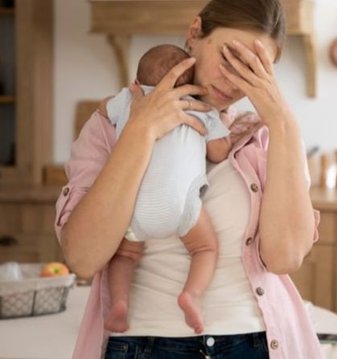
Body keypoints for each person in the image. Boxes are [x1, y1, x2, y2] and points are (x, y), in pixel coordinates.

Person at [55, 0, 323, 357]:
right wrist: (141, 131)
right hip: (141, 344)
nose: (234, 80)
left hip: (254, 343)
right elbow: (84, 257)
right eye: (229, 58)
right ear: (195, 33)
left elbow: (284, 257)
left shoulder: (267, 137)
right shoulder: (112, 125)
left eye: (254, 69)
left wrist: (282, 121)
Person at [104, 44, 231, 334]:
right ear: (193, 85)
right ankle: (191, 295)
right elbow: (219, 153)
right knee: (205, 248)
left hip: (134, 204)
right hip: (181, 204)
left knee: (124, 256)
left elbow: (103, 111)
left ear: (137, 84)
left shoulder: (129, 99)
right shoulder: (201, 108)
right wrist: (224, 125)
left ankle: (119, 304)